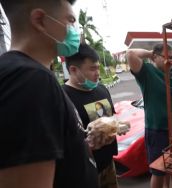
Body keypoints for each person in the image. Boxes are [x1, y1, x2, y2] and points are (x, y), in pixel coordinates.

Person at [0, 0, 99, 188]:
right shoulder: (29, 79)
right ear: (40, 20)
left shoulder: (26, 74)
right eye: (70, 21)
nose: (75, 31)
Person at [126, 43, 172, 188]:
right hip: (157, 131)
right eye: (167, 58)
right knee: (158, 171)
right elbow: (130, 54)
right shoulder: (147, 72)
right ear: (155, 57)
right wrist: (151, 53)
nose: (170, 61)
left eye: (171, 58)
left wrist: (167, 57)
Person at [62, 43, 119, 188]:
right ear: (73, 70)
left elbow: (111, 119)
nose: (98, 73)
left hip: (108, 165)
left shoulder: (101, 89)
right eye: (92, 69)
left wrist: (117, 126)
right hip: (82, 173)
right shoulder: (62, 98)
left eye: (98, 67)